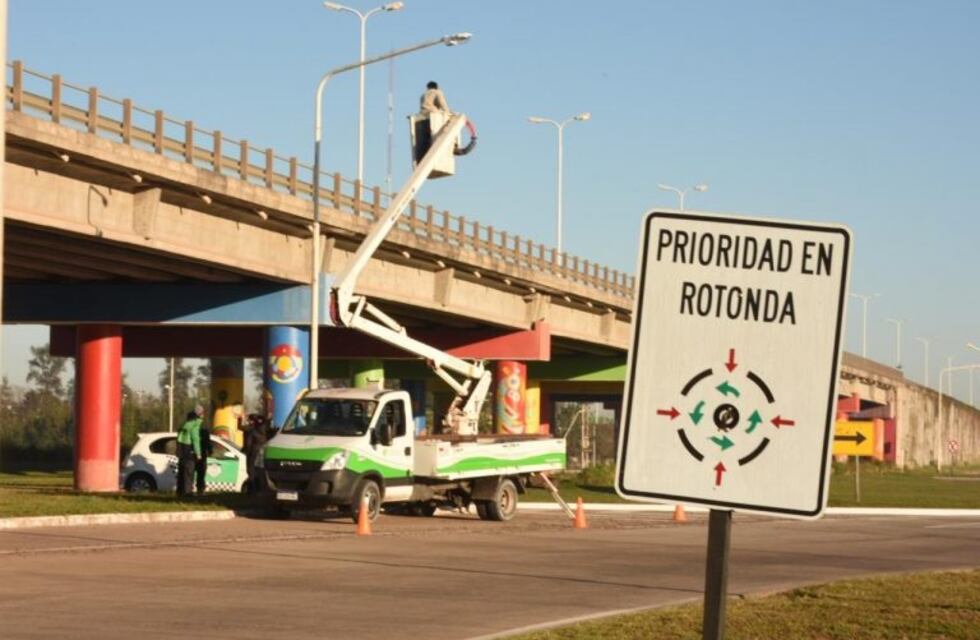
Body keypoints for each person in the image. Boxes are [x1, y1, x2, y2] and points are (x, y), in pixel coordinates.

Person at [176, 405, 204, 497]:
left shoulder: (186, 424)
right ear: (200, 415)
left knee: (182, 471)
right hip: (189, 449)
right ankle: (188, 493)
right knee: (189, 472)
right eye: (203, 413)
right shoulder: (195, 425)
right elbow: (195, 440)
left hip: (181, 448)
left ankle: (180, 491)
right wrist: (198, 454)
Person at [241, 413, 270, 494]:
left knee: (251, 471)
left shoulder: (252, 431)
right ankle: (260, 489)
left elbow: (248, 444)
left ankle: (252, 489)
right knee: (260, 471)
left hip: (253, 453)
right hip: (263, 453)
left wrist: (246, 451)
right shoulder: (264, 429)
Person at [194, 406, 214, 495]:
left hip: (192, 452)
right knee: (201, 473)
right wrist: (210, 450)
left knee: (191, 473)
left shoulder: (191, 424)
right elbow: (207, 441)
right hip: (201, 453)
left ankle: (190, 489)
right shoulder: (203, 426)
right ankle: (200, 490)